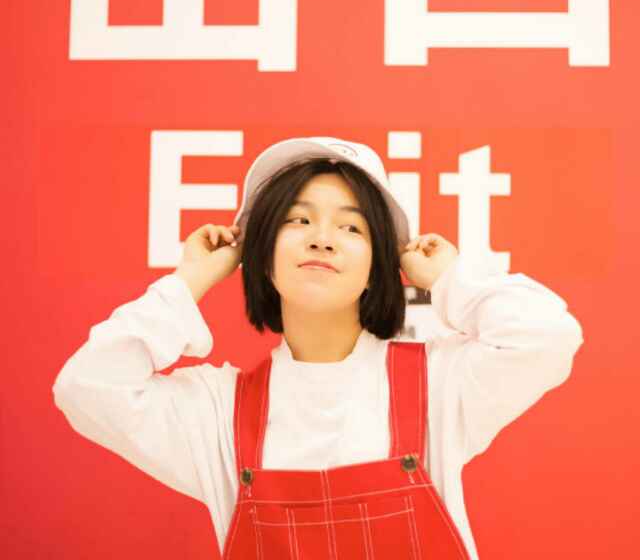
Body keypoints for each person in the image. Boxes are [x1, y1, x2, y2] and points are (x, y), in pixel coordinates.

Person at [53, 136, 584, 559]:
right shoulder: (217, 413)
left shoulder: (437, 385)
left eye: (351, 227)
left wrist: (449, 279)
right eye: (298, 220)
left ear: (378, 268)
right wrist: (190, 279)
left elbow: (547, 336)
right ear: (261, 255)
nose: (322, 238)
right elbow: (87, 387)